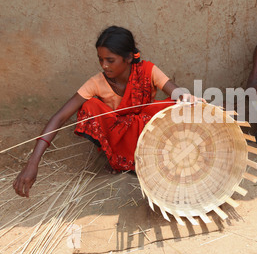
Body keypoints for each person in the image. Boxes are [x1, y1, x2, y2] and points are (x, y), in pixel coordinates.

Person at [13, 26, 202, 198]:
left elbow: (175, 91)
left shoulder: (147, 70)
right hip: (120, 142)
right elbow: (60, 117)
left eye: (110, 60)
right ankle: (123, 163)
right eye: (100, 59)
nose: (104, 65)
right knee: (90, 106)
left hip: (149, 138)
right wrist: (33, 162)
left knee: (175, 106)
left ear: (128, 58)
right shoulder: (96, 83)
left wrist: (185, 97)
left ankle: (156, 159)